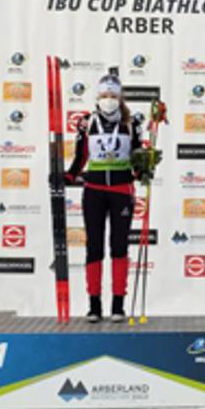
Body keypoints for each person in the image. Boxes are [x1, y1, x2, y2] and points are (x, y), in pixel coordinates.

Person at [65, 70, 142, 323]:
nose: (108, 98)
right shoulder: (87, 122)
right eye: (104, 94)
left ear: (120, 98)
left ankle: (118, 304)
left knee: (119, 247)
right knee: (94, 247)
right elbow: (81, 156)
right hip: (94, 191)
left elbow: (137, 155)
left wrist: (144, 168)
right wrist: (68, 175)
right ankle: (94, 305)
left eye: (113, 95)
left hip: (121, 191)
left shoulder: (131, 123)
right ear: (97, 97)